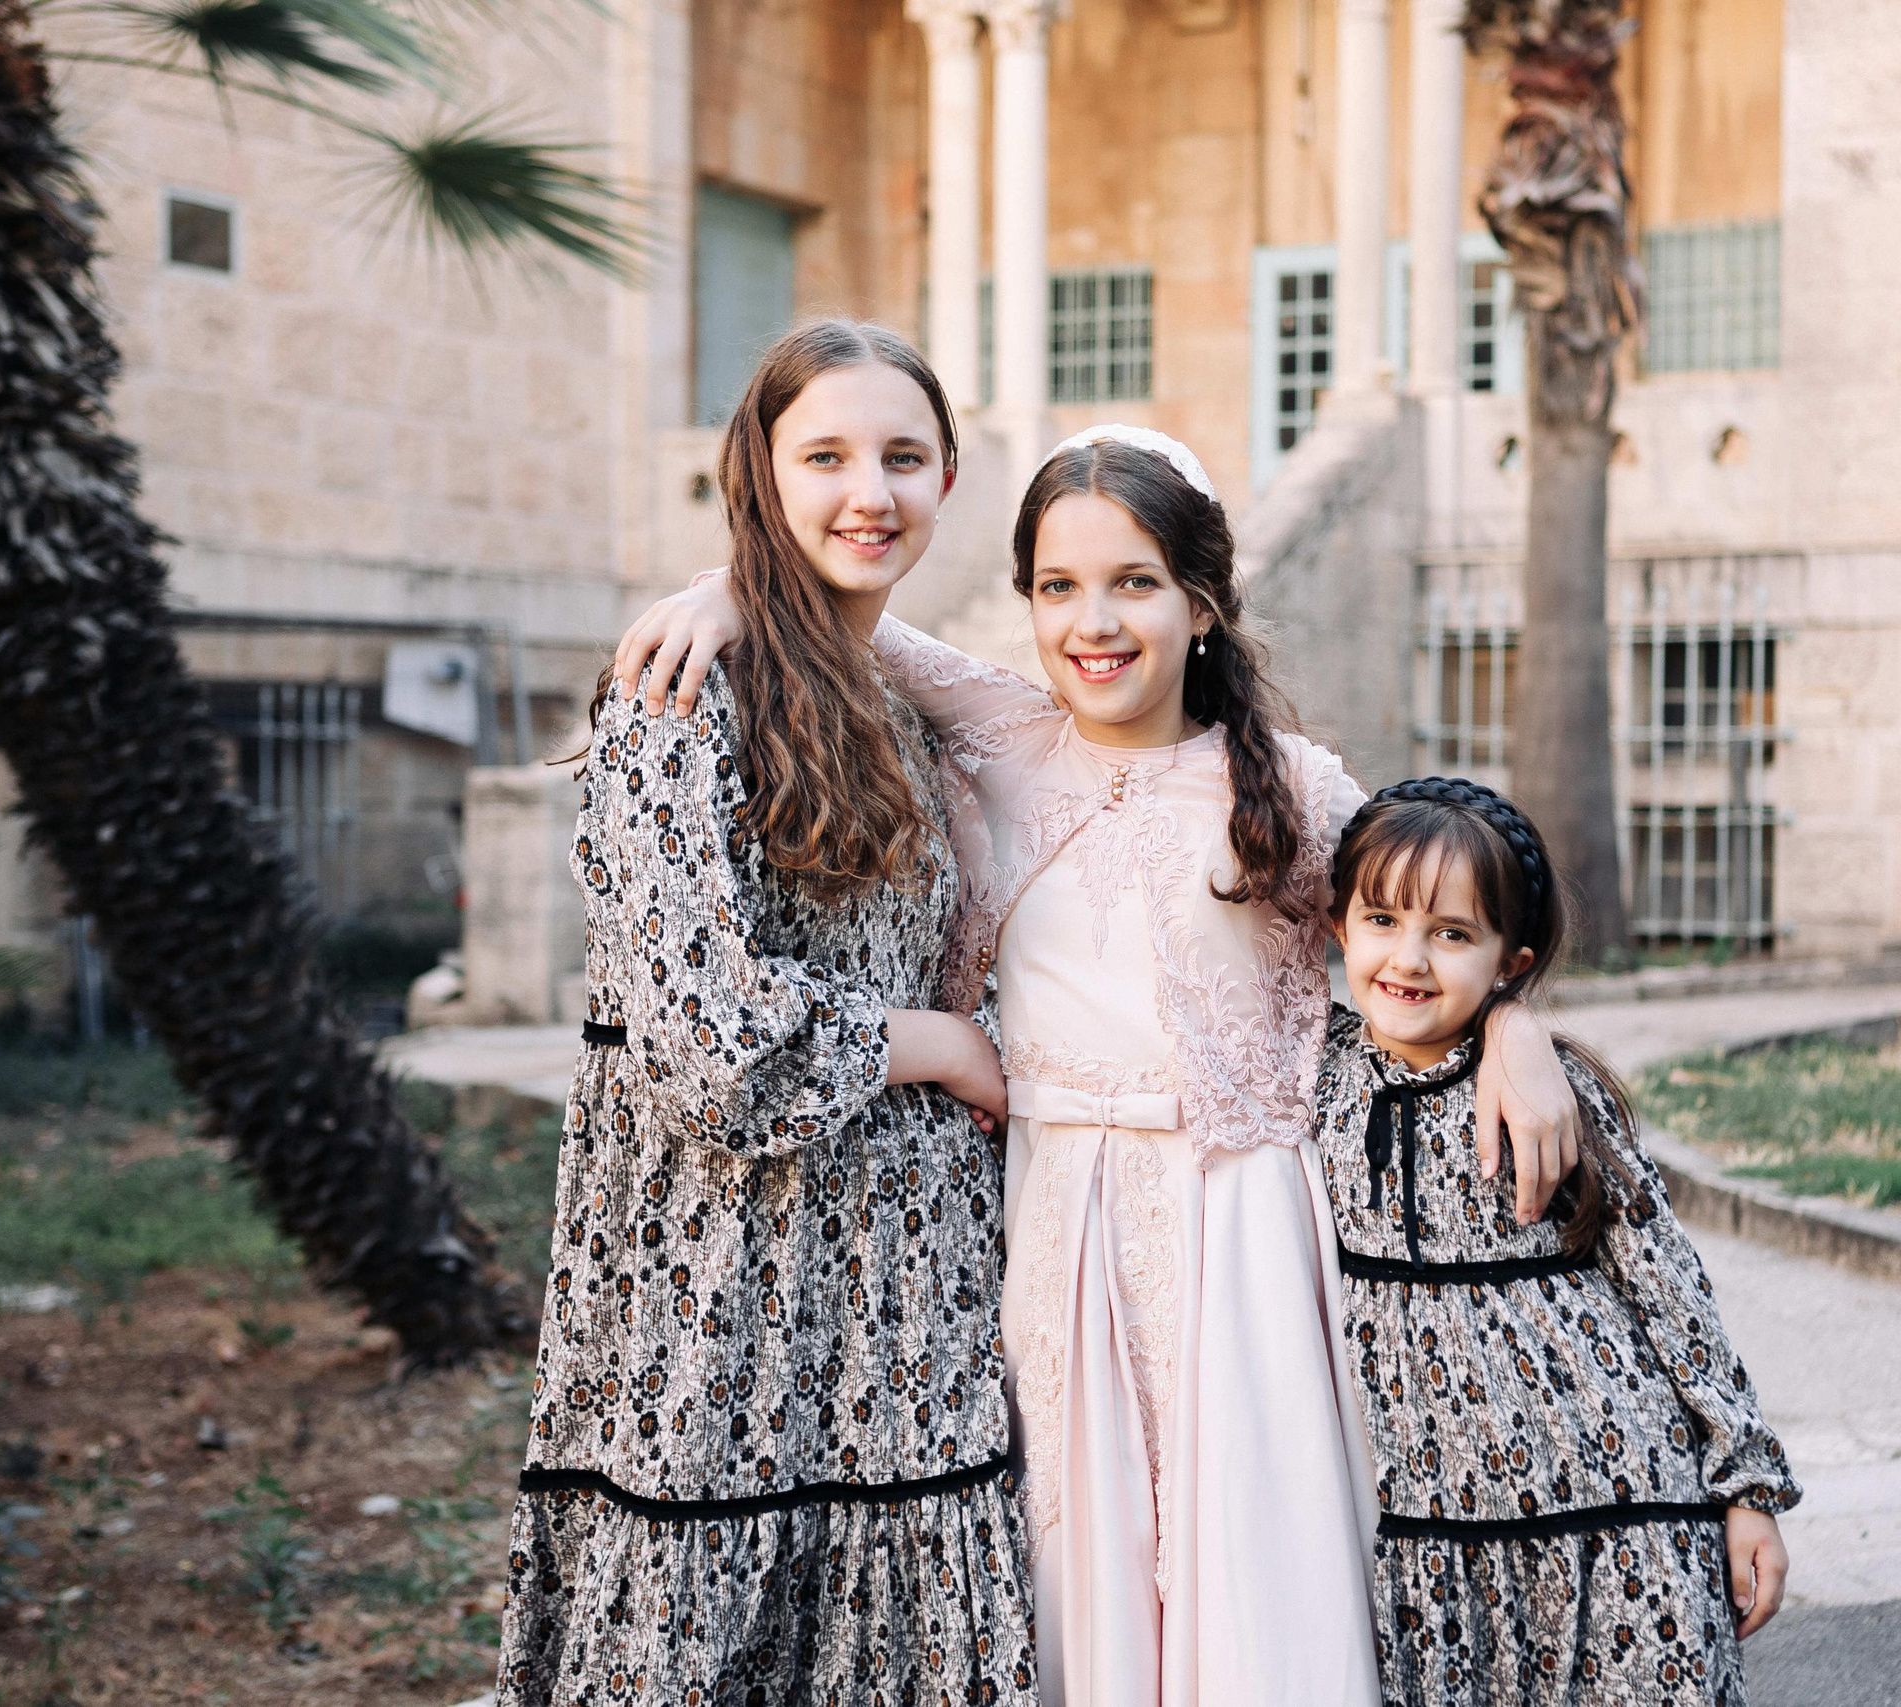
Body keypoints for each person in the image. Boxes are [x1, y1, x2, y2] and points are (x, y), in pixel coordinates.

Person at [610, 425, 1585, 1707]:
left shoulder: (1282, 788)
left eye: (1132, 583)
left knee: (1253, 1575)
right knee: (1079, 1578)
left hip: (1241, 1236)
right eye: (1057, 588)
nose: (1094, 623)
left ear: (1201, 601)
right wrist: (730, 586)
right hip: (1049, 1230)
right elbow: (850, 613)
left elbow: (1442, 919)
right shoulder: (1006, 739)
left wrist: (1515, 1027)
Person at [495, 319, 1036, 1705]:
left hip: (912, 1296)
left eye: (906, 456)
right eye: (829, 455)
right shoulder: (676, 696)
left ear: (951, 479)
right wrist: (939, 1043)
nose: (873, 491)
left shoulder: (915, 708)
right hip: (727, 1292)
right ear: (762, 471)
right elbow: (715, 1044)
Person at [1315, 776, 1799, 1706]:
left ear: (1510, 959)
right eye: (1382, 920)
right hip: (1428, 1541)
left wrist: (1747, 1490)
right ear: (1339, 929)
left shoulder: (1555, 1090)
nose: (1409, 958)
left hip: (1617, 1507)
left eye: (1452, 933)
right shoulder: (1312, 1071)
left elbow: (1668, 1285)